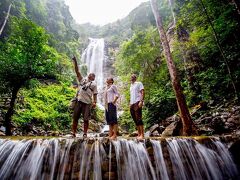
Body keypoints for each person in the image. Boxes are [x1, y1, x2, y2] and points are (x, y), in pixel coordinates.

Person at [71, 56, 98, 138]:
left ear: (94, 78)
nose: (91, 75)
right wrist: (75, 61)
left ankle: (85, 133)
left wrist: (95, 102)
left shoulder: (94, 84)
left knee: (86, 119)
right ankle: (73, 132)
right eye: (90, 74)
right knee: (75, 118)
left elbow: (95, 94)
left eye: (93, 75)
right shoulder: (82, 80)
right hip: (78, 101)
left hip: (87, 103)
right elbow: (77, 72)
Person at [129, 74, 145, 140]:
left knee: (139, 118)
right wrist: (130, 103)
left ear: (135, 78)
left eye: (133, 77)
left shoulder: (139, 83)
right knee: (135, 119)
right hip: (132, 103)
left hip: (137, 102)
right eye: (131, 77)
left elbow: (142, 92)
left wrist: (141, 101)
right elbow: (131, 95)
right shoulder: (131, 86)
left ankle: (142, 134)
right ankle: (139, 134)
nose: (132, 78)